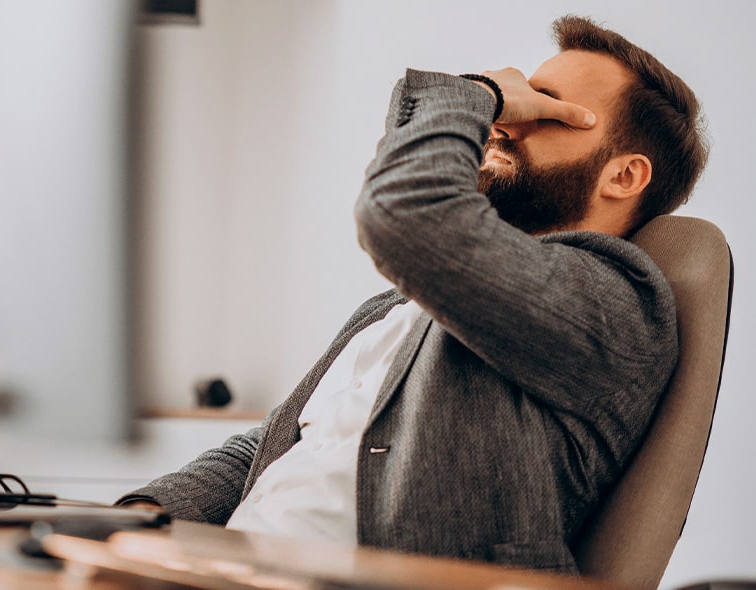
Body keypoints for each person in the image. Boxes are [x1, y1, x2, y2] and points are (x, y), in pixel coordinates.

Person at [118, 15, 708, 574]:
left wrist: (475, 92)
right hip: (231, 572)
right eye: (522, 98)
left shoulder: (616, 304)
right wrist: (131, 519)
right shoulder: (398, 310)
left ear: (624, 176)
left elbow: (404, 214)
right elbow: (275, 447)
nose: (505, 121)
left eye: (548, 112)